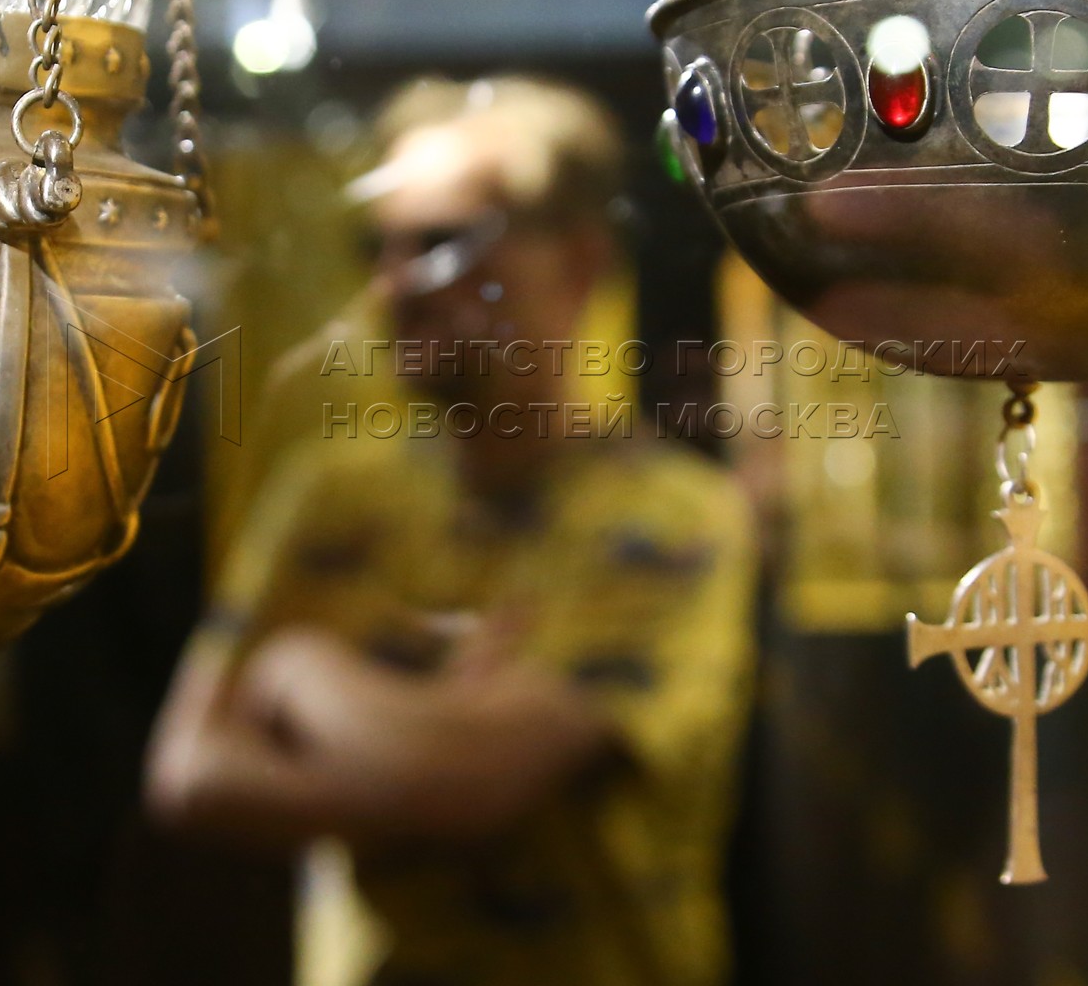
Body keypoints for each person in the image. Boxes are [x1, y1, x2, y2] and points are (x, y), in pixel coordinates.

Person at [146, 77, 757, 986]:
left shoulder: (674, 518)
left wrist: (303, 674)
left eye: (442, 243)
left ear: (578, 263)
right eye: (379, 246)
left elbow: (472, 783)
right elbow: (192, 771)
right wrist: (421, 752)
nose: (396, 283)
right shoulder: (332, 495)